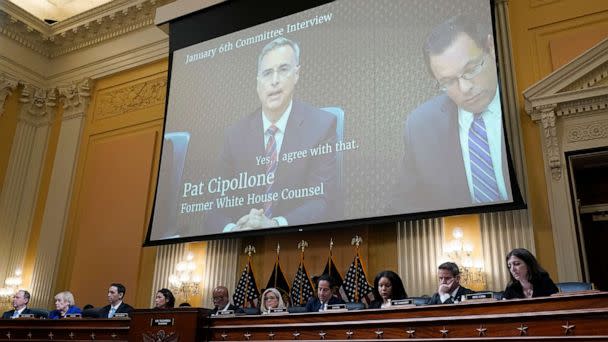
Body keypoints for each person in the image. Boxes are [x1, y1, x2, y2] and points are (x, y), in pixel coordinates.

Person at [207, 36, 339, 233]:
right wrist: (232, 228)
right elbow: (213, 207)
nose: (275, 81)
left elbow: (322, 202)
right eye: (267, 73)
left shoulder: (322, 126)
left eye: (283, 70)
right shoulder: (234, 135)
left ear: (297, 74)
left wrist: (274, 224)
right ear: (258, 82)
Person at [394, 14, 511, 212]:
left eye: (472, 69)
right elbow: (406, 202)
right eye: (448, 82)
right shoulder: (421, 126)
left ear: (490, 48)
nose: (464, 88)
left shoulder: (524, 96)